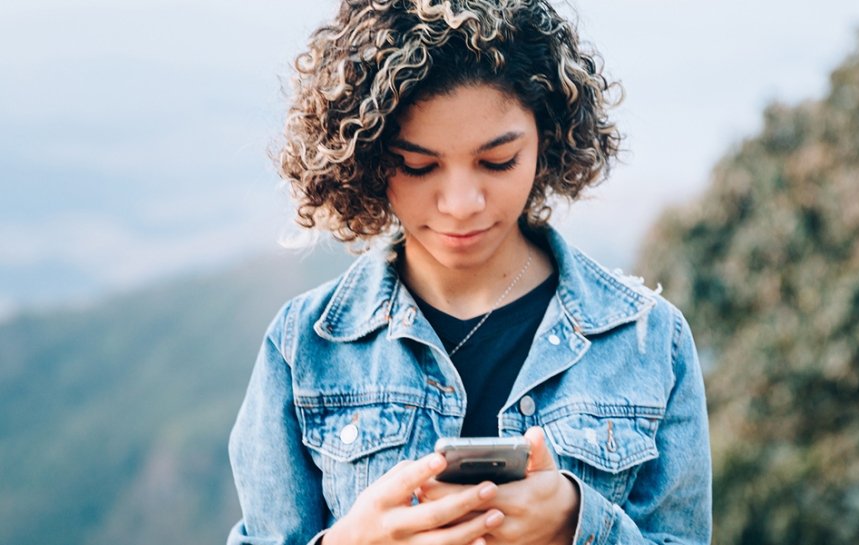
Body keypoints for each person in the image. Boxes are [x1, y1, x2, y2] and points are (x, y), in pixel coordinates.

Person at [227, 1, 712, 544]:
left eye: (497, 161)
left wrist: (577, 523)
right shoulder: (303, 347)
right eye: (418, 166)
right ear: (366, 159)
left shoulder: (650, 340)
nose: (461, 204)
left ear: (547, 137)